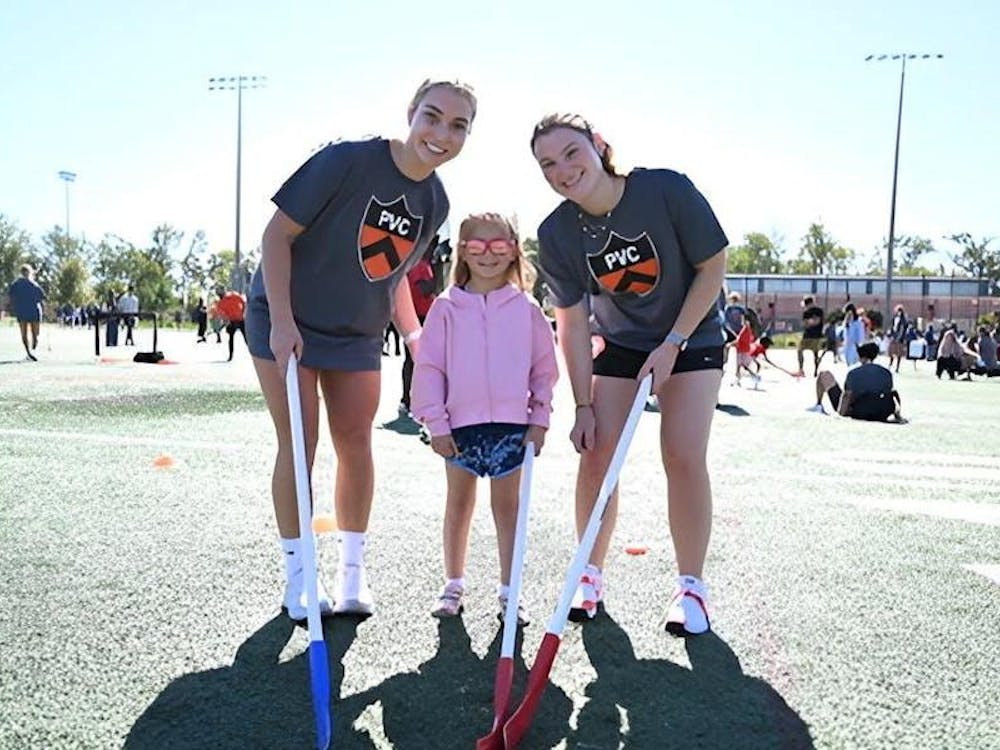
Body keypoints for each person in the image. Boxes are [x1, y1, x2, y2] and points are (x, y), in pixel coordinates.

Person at [244, 79, 476, 621]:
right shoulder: (346, 160)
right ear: (411, 113)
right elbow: (275, 237)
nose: (441, 133)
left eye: (458, 125)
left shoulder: (435, 201)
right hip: (287, 319)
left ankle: (352, 573)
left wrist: (416, 336)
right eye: (433, 116)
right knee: (299, 443)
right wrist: (281, 322)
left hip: (356, 332)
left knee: (355, 443)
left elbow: (392, 274)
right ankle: (300, 578)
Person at [530, 113, 728, 636]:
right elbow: (572, 324)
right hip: (620, 343)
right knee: (597, 455)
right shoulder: (556, 233)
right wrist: (582, 404)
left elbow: (713, 266)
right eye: (548, 163)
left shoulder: (666, 189)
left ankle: (692, 589)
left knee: (682, 455)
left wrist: (672, 343)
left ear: (599, 146)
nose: (563, 170)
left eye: (572, 153)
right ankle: (589, 575)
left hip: (692, 335)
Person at [411, 212, 558, 624]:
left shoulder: (527, 309)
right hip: (459, 428)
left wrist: (539, 420)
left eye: (498, 246)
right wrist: (435, 424)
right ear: (462, 251)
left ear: (514, 250)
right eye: (477, 247)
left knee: (507, 509)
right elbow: (430, 368)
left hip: (513, 427)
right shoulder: (445, 307)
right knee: (458, 504)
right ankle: (453, 583)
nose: (488, 255)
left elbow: (544, 370)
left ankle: (510, 591)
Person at [808, 342, 903, 422]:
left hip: (858, 411)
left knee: (824, 374)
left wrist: (840, 415)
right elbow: (890, 393)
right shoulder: (886, 373)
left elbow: (846, 396)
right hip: (881, 412)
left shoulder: (854, 373)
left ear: (860, 357)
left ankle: (818, 404)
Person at [399, 250, 437, 416]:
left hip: (423, 316)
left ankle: (410, 399)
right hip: (418, 317)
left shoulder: (422, 264)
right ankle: (407, 399)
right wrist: (438, 274)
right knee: (413, 361)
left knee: (414, 362)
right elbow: (425, 289)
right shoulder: (418, 265)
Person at [7, 264, 46, 361]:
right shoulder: (34, 284)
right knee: (34, 334)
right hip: (32, 310)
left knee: (26, 334)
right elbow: (43, 298)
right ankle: (31, 352)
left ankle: (30, 352)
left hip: (23, 310)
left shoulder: (16, 284)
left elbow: (10, 297)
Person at [215, 285, 247, 362]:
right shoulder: (220, 303)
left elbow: (243, 302)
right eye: (217, 292)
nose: (218, 293)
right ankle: (230, 356)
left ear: (224, 290)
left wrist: (244, 313)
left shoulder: (234, 295)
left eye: (219, 291)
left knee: (247, 338)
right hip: (231, 321)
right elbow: (222, 315)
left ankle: (254, 354)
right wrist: (226, 321)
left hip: (241, 319)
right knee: (231, 339)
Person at [795, 295, 825, 377]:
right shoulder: (814, 311)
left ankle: (809, 370)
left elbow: (815, 322)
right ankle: (804, 369)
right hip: (812, 335)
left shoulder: (815, 311)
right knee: (809, 352)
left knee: (810, 353)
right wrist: (810, 322)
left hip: (812, 336)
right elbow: (807, 323)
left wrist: (809, 322)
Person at [842, 302, 865, 366]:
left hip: (855, 346)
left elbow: (861, 335)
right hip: (847, 345)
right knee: (848, 362)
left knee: (854, 363)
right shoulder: (846, 322)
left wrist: (859, 344)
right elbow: (845, 333)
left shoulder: (858, 322)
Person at [887, 305, 908, 373]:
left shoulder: (903, 320)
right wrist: (890, 333)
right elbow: (892, 327)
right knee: (891, 351)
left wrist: (899, 337)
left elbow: (902, 329)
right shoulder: (894, 318)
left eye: (900, 311)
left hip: (900, 338)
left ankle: (897, 367)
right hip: (894, 336)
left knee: (899, 353)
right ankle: (890, 364)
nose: (899, 312)